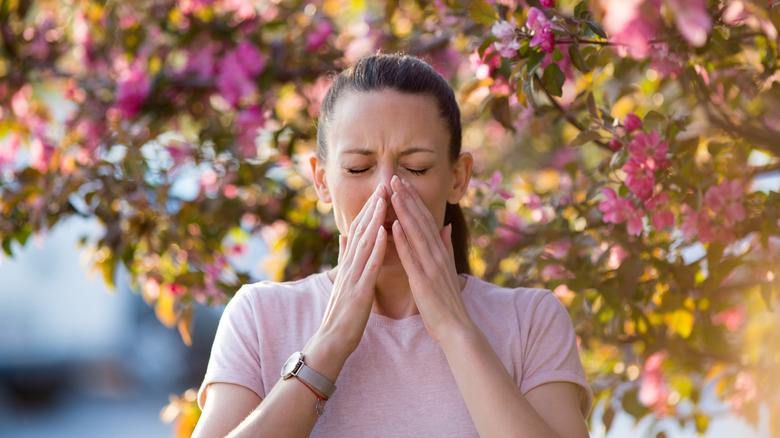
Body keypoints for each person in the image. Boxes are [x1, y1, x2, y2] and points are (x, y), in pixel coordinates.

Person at [192, 54, 592, 438]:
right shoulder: (259, 317)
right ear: (322, 180)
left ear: (457, 178)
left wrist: (455, 330)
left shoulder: (530, 320)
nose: (385, 189)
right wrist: (329, 344)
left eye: (416, 168)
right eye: (358, 168)